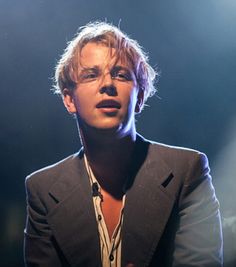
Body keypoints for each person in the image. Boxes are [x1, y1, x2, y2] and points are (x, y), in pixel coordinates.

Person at [24, 21, 223, 267]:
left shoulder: (188, 171)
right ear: (69, 99)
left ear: (139, 98)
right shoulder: (42, 189)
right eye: (91, 74)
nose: (107, 84)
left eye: (120, 74)